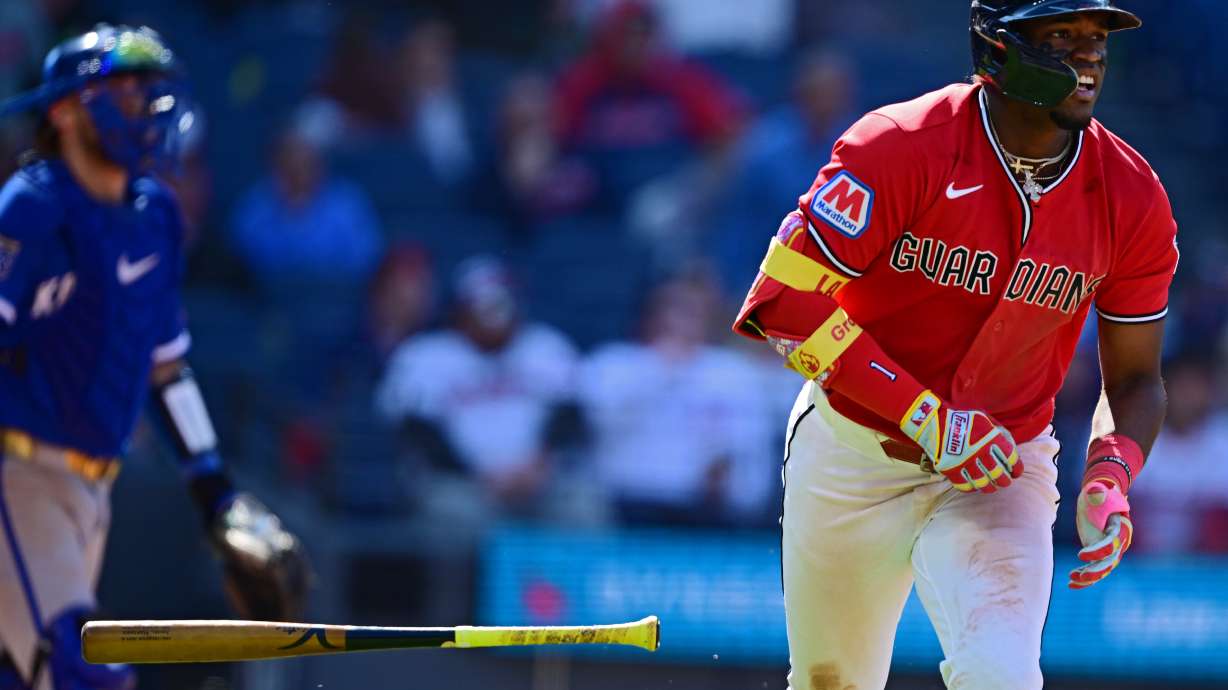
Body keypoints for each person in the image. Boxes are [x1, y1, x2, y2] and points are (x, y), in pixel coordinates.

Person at [730, 2, 1177, 688]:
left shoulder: (1133, 195)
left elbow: (1137, 381)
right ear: (997, 50)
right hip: (855, 452)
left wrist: (1112, 476)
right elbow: (783, 304)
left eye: (1097, 40)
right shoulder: (899, 144)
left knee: (1001, 675)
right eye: (1061, 37)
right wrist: (926, 417)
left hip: (1002, 470)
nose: (1089, 56)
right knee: (832, 681)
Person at [0, 25, 308, 690]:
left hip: (93, 490)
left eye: (150, 91)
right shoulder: (34, 208)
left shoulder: (156, 216)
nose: (145, 107)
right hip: (19, 474)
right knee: (84, 670)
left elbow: (167, 370)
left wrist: (217, 497)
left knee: (24, 674)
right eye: (124, 91)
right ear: (65, 109)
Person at [579, 269, 778, 527]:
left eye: (692, 311)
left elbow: (748, 452)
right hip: (621, 502)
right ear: (651, 313)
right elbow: (596, 431)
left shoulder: (733, 372)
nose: (680, 321)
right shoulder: (612, 363)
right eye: (673, 308)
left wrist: (726, 475)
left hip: (704, 510)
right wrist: (663, 366)